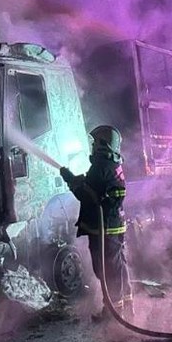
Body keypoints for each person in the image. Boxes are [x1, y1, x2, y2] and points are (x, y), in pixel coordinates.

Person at [61, 125, 133, 322]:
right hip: (114, 224)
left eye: (95, 143)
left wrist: (70, 180)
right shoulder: (112, 164)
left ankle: (112, 313)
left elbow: (86, 195)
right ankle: (126, 305)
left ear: (103, 144)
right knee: (118, 265)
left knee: (105, 269)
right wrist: (81, 181)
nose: (92, 146)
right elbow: (98, 189)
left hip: (104, 227)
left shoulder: (100, 166)